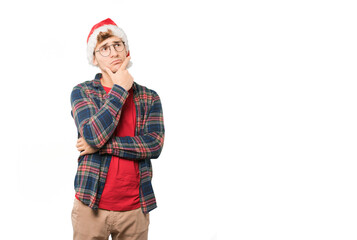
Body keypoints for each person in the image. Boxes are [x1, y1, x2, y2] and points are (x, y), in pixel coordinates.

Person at [70, 18, 165, 240]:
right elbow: (92, 135)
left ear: (127, 50)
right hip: (90, 205)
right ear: (93, 58)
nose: (113, 52)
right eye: (104, 48)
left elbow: (154, 145)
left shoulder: (149, 97)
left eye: (118, 45)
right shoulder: (83, 92)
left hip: (135, 208)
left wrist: (101, 147)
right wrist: (121, 88)